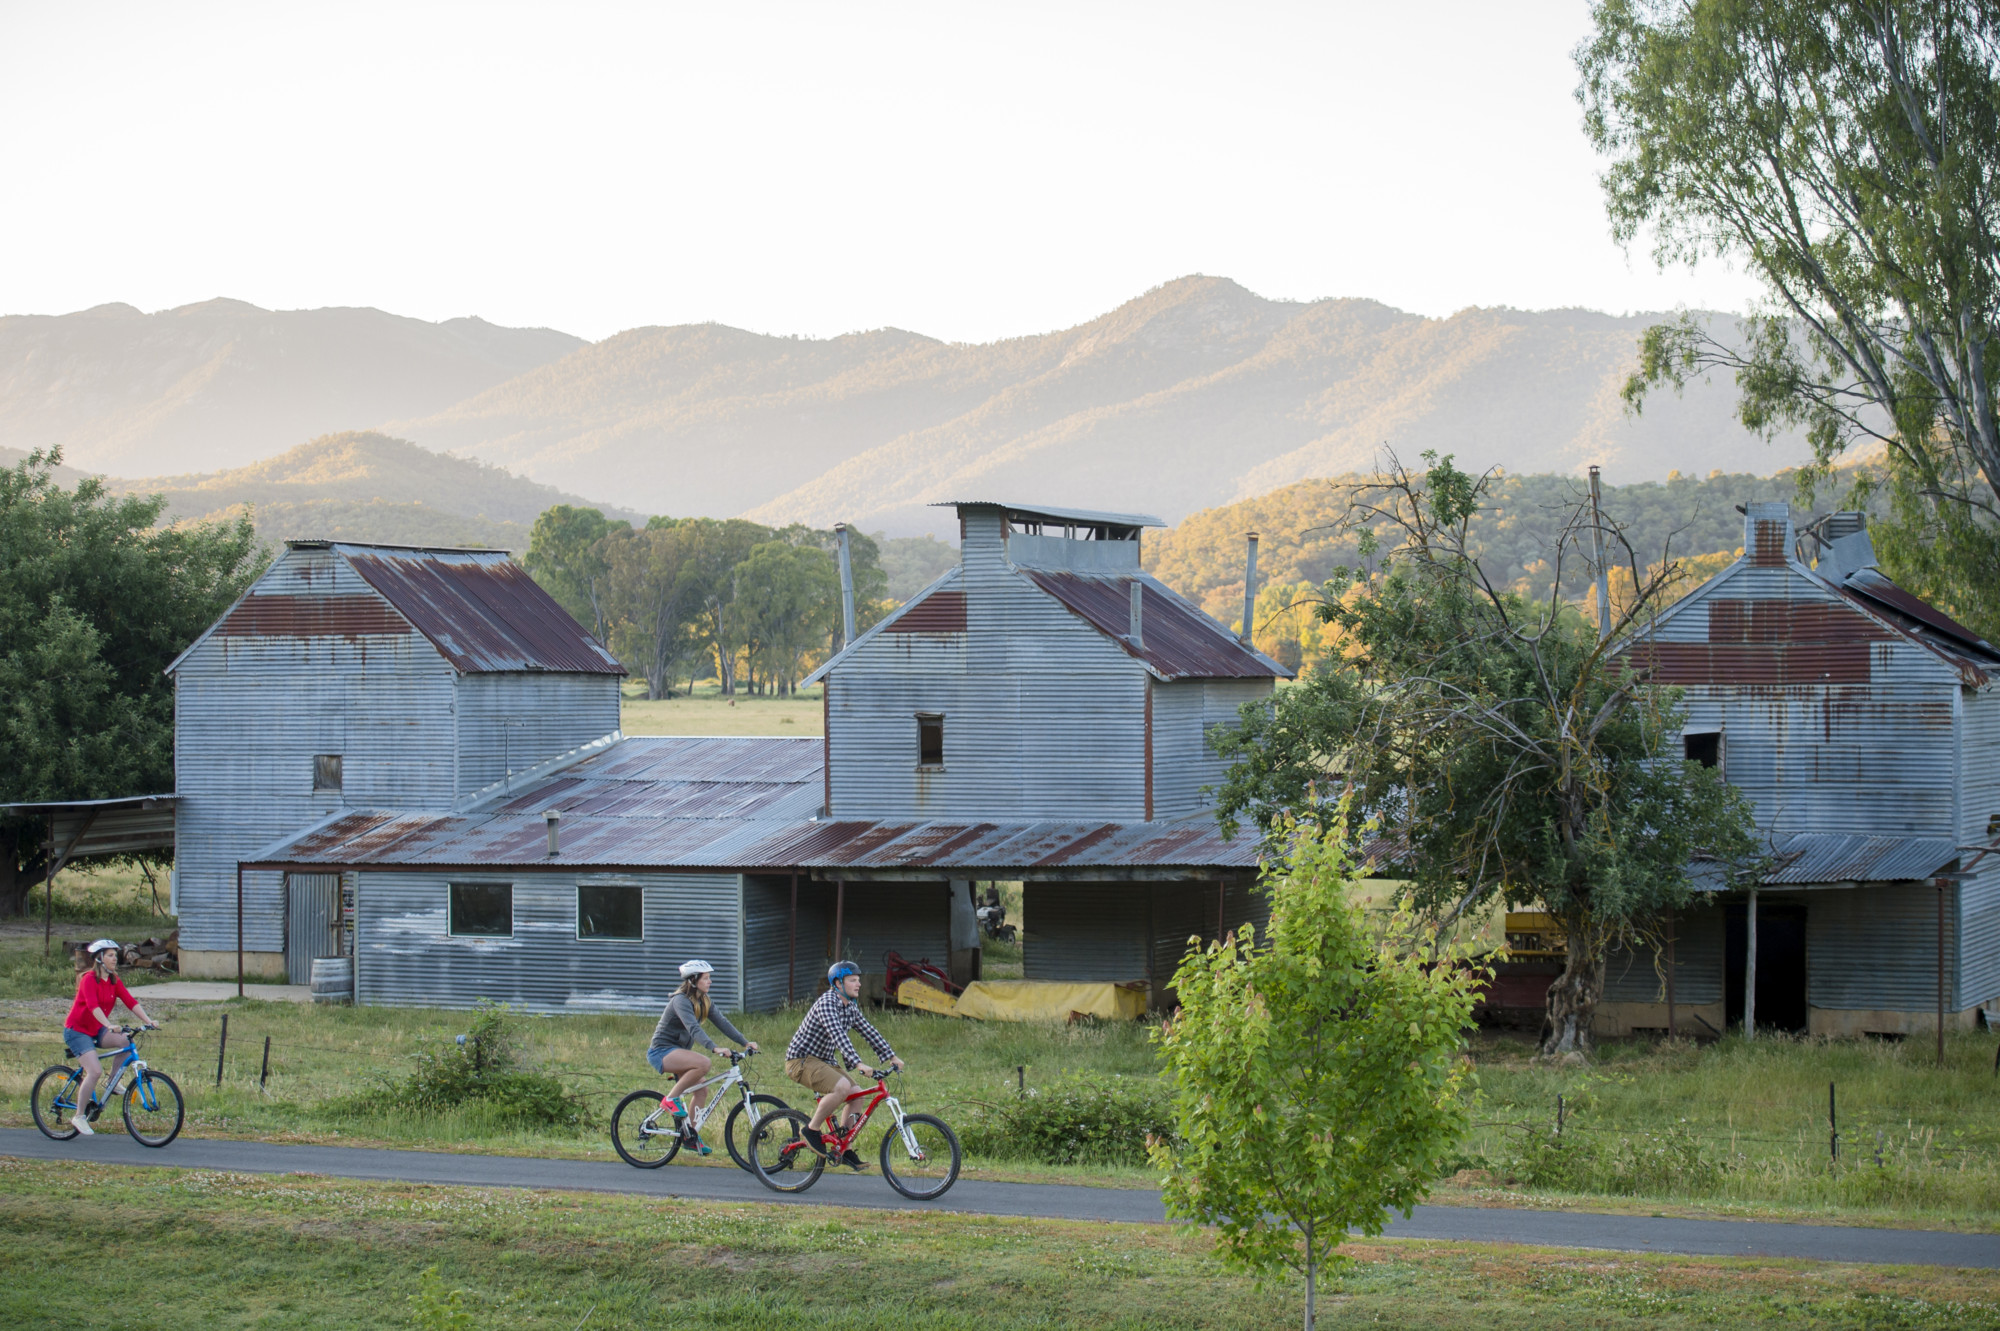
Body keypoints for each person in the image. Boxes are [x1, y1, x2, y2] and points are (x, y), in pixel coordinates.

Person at [784, 960, 903, 1170]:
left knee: (857, 1095)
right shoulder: (827, 1003)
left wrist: (891, 1056)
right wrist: (858, 1063)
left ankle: (843, 1149)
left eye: (859, 980)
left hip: (824, 1061)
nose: (858, 984)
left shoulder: (850, 1006)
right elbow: (839, 1036)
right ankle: (812, 1129)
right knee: (842, 1087)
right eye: (852, 980)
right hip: (801, 1061)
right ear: (838, 984)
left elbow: (869, 1031)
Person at [647, 959, 757, 1155]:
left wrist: (744, 1042)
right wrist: (714, 1048)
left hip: (679, 1053)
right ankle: (670, 1100)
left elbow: (722, 1022)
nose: (710, 982)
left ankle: (690, 1137)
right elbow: (693, 1028)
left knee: (702, 1091)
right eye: (706, 978)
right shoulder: (680, 1001)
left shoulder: (704, 1000)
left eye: (709, 978)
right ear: (693, 980)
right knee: (704, 1063)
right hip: (662, 1052)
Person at [62, 939, 157, 1137]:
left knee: (125, 1040)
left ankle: (112, 1081)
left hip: (96, 1028)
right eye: (111, 955)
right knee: (94, 1071)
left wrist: (149, 1020)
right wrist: (108, 1025)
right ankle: (79, 1116)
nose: (115, 958)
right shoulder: (89, 979)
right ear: (100, 958)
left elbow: (130, 1001)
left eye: (115, 955)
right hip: (77, 1030)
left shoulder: (113, 979)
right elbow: (92, 1006)